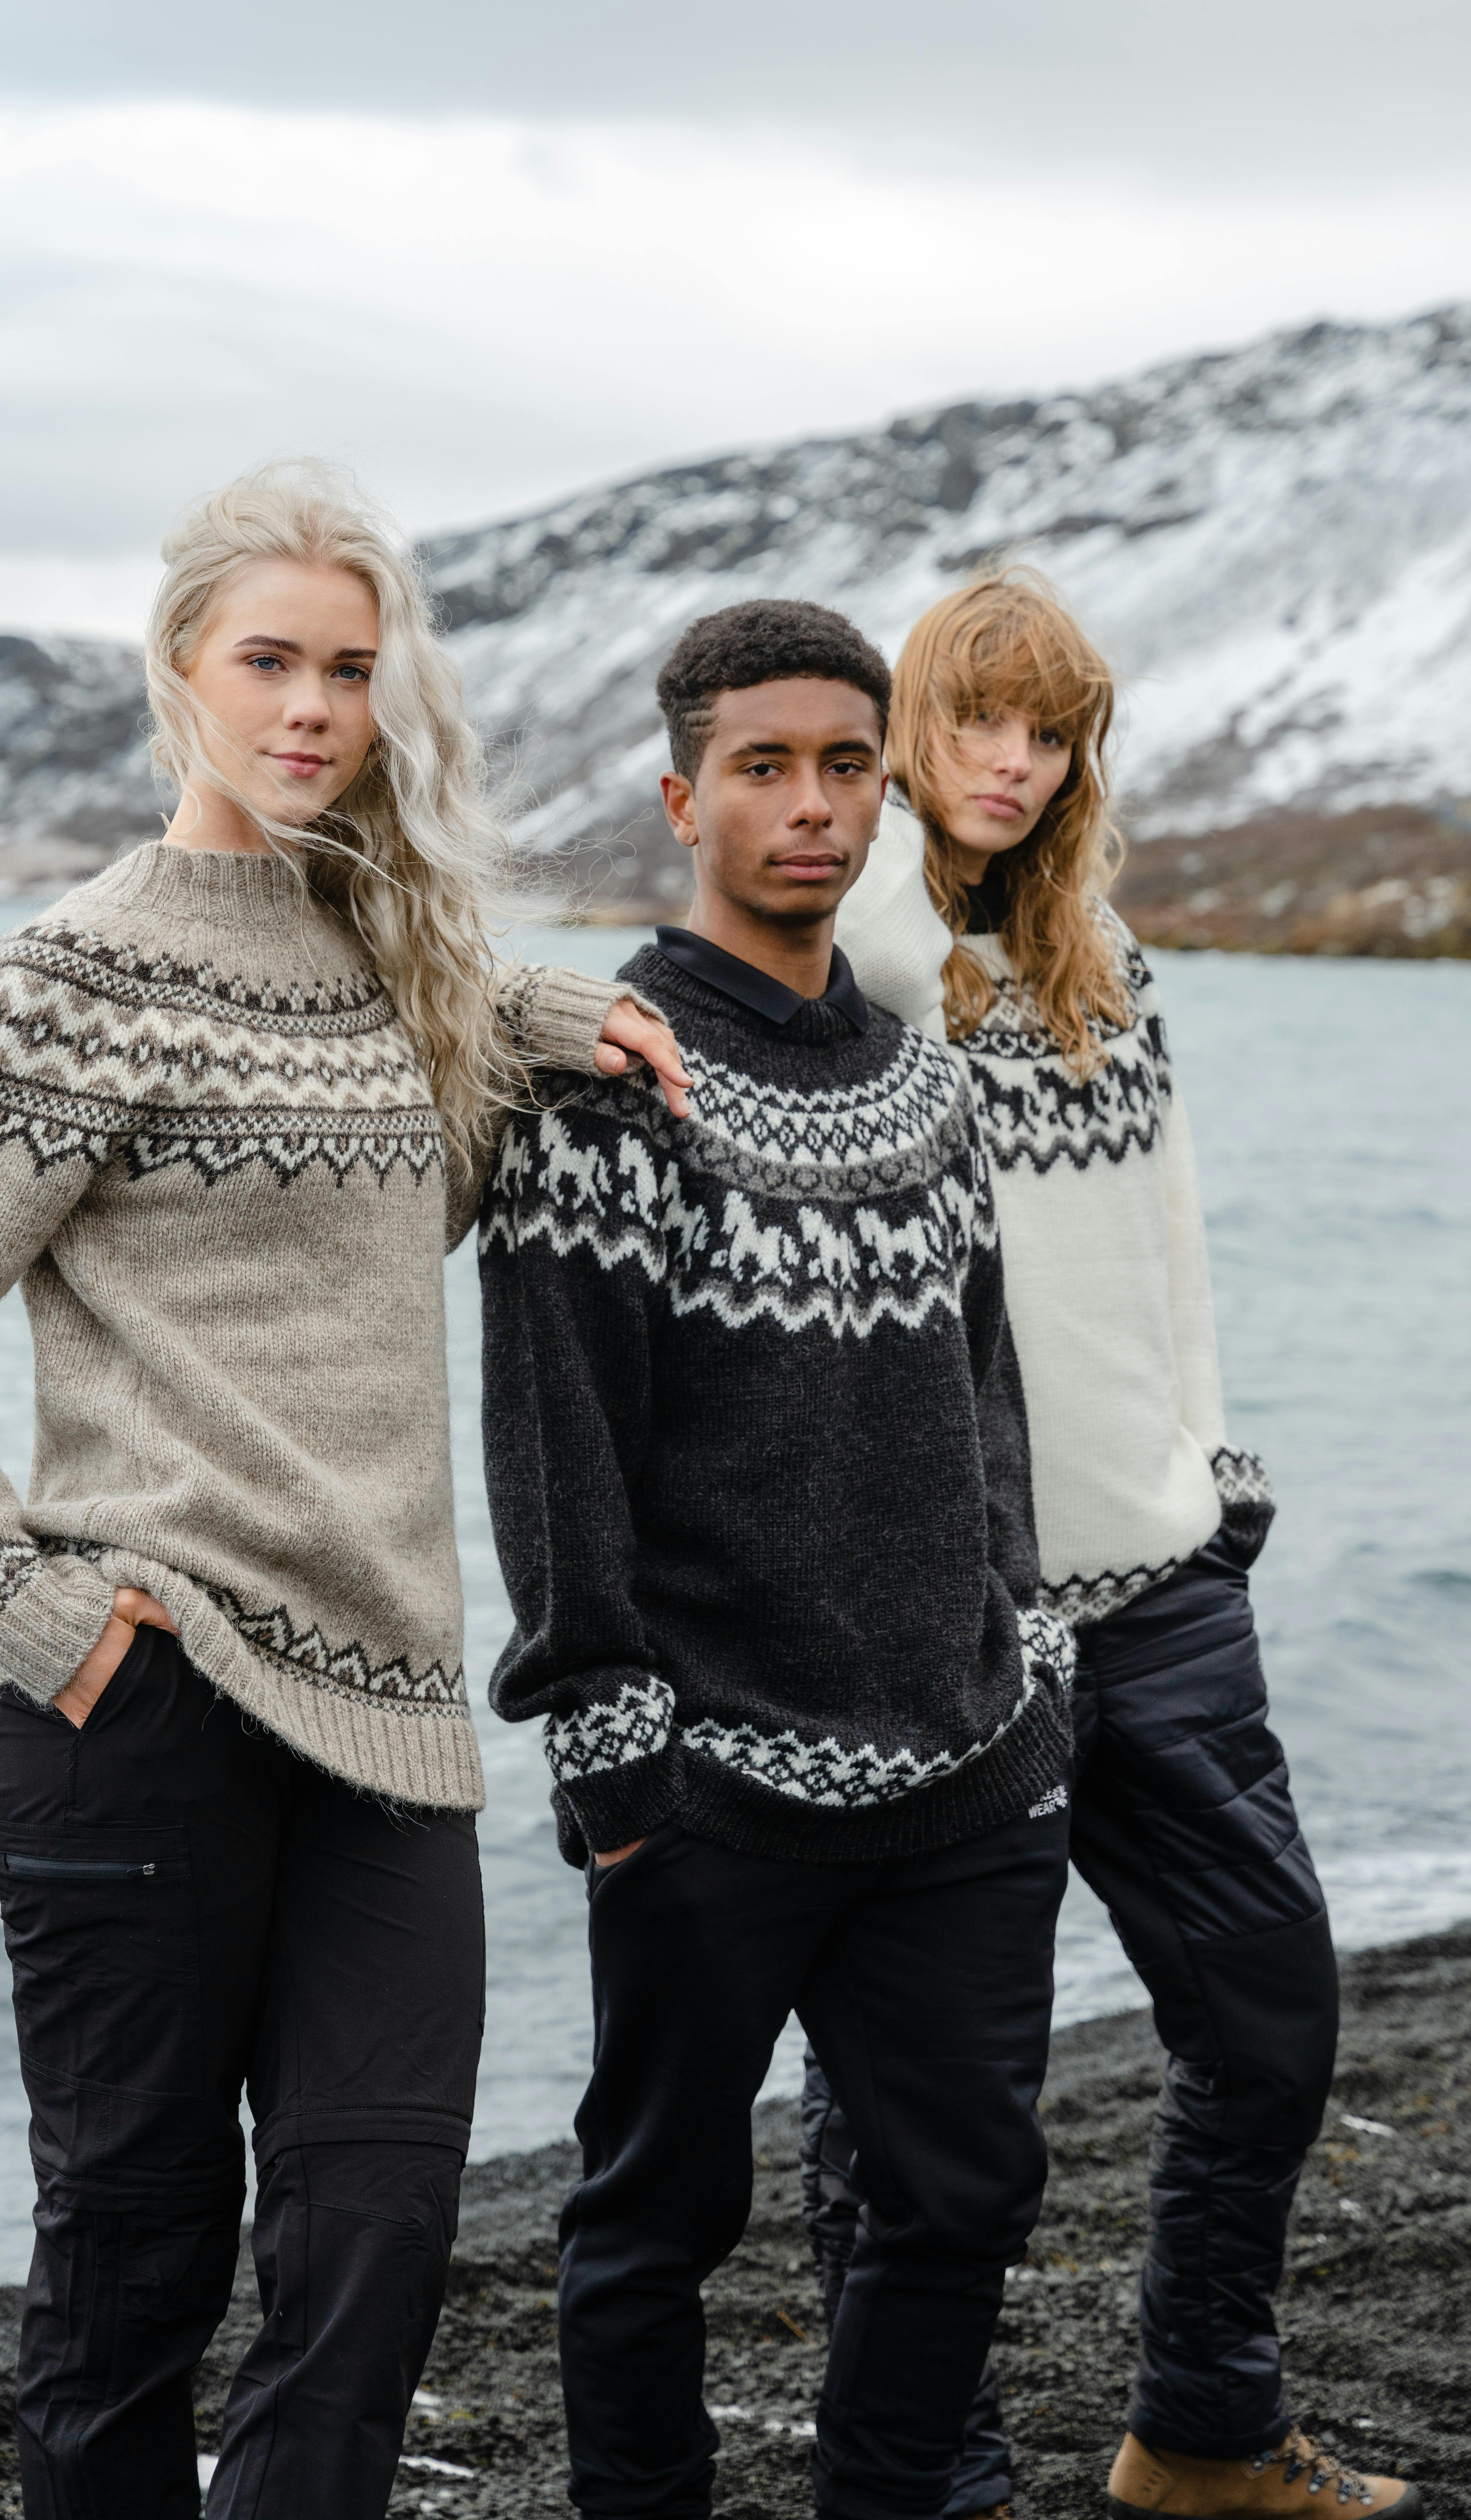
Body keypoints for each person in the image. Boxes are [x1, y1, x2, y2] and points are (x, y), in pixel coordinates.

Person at [0, 459, 692, 2520]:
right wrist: (28, 1599)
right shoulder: (68, 976)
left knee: (371, 2255)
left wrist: (551, 1015)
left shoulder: (396, 975)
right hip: (142, 1695)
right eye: (269, 659)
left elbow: (443, 1136)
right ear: (182, 670)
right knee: (134, 2270)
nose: (310, 706)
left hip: (388, 1715)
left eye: (350, 671)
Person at [804, 569, 1418, 2520]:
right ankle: (921, 2473)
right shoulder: (861, 956)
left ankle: (1201, 2430)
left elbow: (1164, 1251)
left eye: (1046, 729)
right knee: (913, 2104)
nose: (1007, 760)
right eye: (970, 721)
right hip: (948, 1627)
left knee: (1270, 2015)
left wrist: (1210, 1471)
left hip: (1157, 1589)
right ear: (907, 735)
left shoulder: (1104, 958)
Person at [477, 596, 1078, 2520]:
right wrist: (606, 1744)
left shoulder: (926, 1078)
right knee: (658, 2216)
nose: (809, 809)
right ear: (682, 797)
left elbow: (983, 1389)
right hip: (712, 1788)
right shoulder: (608, 1090)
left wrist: (1030, 1652)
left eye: (843, 767)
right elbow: (554, 1440)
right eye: (762, 771)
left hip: (967, 1772)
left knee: (967, 2189)